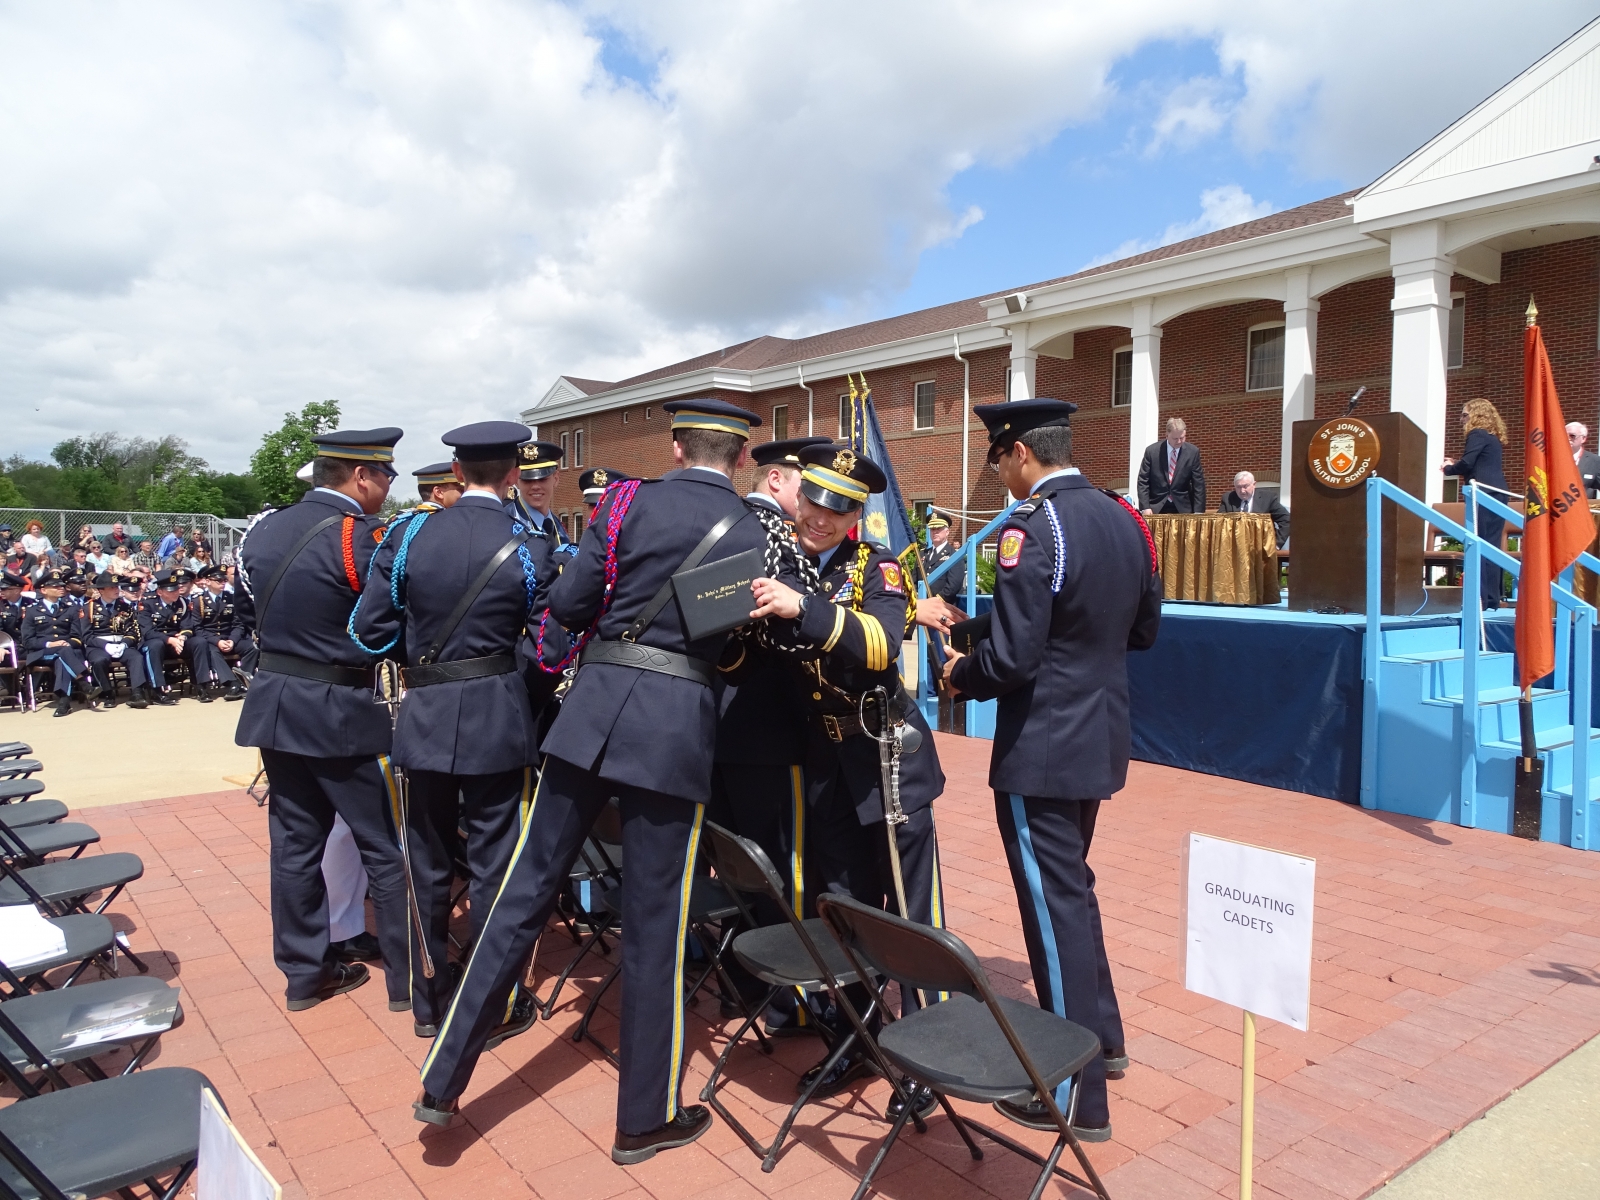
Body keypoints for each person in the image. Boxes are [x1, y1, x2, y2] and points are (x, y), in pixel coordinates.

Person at [415, 398, 779, 1166]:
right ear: (741, 458)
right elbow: (725, 647)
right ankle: (642, 1118)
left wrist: (573, 656)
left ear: (675, 447)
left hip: (593, 713)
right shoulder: (750, 531)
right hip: (672, 731)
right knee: (655, 926)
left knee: (520, 895)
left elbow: (572, 603)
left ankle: (443, 1079)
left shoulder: (623, 502)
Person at [942, 398, 1162, 1143]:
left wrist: (959, 674)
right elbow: (1141, 630)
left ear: (1021, 454)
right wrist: (978, 626)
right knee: (1073, 894)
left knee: (1053, 906)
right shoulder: (1126, 519)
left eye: (999, 461)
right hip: (1097, 735)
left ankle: (1074, 1093)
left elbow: (1012, 658)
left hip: (1041, 748)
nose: (1000, 476)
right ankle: (1107, 1043)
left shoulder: (1032, 526)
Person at [748, 443, 947, 1111]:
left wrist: (800, 609)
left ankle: (930, 1053)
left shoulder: (877, 566)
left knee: (910, 914)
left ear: (856, 515)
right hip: (826, 763)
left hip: (885, 759)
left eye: (837, 510)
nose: (819, 517)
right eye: (813, 501)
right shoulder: (785, 563)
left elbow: (882, 644)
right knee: (843, 907)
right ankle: (857, 1038)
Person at [351, 421, 547, 1045]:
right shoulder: (530, 542)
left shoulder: (408, 535)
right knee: (497, 867)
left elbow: (368, 632)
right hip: (499, 715)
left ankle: (427, 1000)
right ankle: (493, 1002)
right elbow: (550, 642)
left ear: (456, 472)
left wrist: (422, 651)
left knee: (425, 862)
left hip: (426, 714)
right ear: (514, 473)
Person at [234, 427, 413, 1016]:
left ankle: (304, 976)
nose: (387, 487)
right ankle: (409, 981)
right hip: (341, 711)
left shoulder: (263, 529)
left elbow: (246, 609)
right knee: (385, 846)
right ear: (361, 476)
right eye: (385, 475)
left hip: (276, 704)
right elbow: (389, 626)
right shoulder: (362, 536)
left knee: (294, 846)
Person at [711, 434, 832, 1032]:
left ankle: (740, 984)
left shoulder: (725, 526)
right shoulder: (776, 539)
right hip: (772, 732)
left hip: (719, 729)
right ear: (779, 480)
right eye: (808, 488)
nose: (816, 504)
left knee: (737, 868)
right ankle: (794, 998)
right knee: (784, 872)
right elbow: (797, 635)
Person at [506, 440, 577, 736]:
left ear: (556, 478)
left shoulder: (557, 527)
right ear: (516, 480)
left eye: (543, 478)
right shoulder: (507, 523)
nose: (536, 486)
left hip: (554, 649)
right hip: (521, 652)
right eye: (527, 479)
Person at [1443, 398, 1510, 610]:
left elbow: (1467, 463)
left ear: (1476, 415)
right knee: (1491, 545)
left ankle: (1481, 599)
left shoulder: (1477, 433)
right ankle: (1490, 598)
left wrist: (1448, 468)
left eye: (1464, 415)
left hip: (1483, 493)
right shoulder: (1491, 436)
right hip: (1497, 493)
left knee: (1479, 544)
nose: (1461, 420)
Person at [21, 569, 92, 717]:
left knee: (61, 657)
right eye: (56, 586)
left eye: (61, 586)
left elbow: (76, 637)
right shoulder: (32, 611)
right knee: (62, 651)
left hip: (66, 652)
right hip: (41, 652)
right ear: (43, 590)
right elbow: (28, 641)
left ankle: (64, 702)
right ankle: (83, 681)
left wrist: (66, 644)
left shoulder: (70, 609)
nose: (61, 588)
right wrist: (49, 644)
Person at [81, 571, 149, 709]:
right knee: (99, 660)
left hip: (121, 644)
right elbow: (86, 635)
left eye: (117, 587)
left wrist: (125, 643)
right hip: (98, 646)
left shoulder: (124, 606)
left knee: (136, 657)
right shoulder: (89, 608)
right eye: (111, 587)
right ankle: (107, 693)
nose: (116, 590)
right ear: (101, 590)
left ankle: (137, 693)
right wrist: (105, 645)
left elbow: (133, 631)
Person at [184, 566, 245, 701]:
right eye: (218, 580)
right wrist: (217, 641)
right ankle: (232, 683)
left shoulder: (231, 598)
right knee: (211, 650)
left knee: (251, 647)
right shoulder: (198, 601)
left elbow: (238, 624)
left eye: (224, 580)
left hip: (229, 637)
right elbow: (198, 628)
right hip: (210, 639)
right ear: (207, 581)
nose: (223, 583)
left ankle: (245, 681)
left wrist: (232, 640)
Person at [134, 568, 192, 706]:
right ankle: (157, 690)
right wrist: (169, 640)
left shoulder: (182, 603)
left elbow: (187, 626)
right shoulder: (147, 603)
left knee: (198, 642)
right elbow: (148, 632)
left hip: (176, 642)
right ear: (160, 592)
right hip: (154, 642)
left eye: (176, 589)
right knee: (155, 645)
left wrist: (182, 637)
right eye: (171, 590)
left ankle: (201, 686)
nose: (176, 592)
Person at [1137, 417, 1205, 514]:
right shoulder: (1152, 452)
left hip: (1183, 507)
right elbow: (1143, 481)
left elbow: (1198, 483)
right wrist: (1145, 507)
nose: (1179, 441)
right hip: (1156, 506)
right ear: (1166, 435)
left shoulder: (1192, 452)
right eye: (1175, 438)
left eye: (1182, 438)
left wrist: (1198, 511)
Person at [1218, 471, 1290, 548]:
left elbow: (1287, 519)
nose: (1242, 491)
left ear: (1254, 484)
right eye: (1238, 487)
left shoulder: (1268, 498)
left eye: (1245, 486)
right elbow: (1219, 522)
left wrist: (1276, 544)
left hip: (1261, 546)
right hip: (1235, 547)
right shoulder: (1228, 498)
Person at [1568, 422, 1600, 500]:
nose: (1567, 438)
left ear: (1583, 439)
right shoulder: (1551, 458)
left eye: (1572, 436)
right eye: (1564, 435)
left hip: (1582, 505)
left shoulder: (1594, 461)